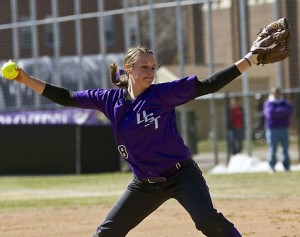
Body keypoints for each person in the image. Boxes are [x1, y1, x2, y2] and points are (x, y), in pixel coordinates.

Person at [3, 45, 260, 237]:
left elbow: (209, 85)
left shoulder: (163, 94)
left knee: (206, 220)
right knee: (106, 233)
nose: (151, 71)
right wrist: (25, 79)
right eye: (144, 67)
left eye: (152, 67)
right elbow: (67, 97)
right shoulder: (109, 100)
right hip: (144, 184)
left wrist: (250, 59)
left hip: (181, 176)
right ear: (129, 69)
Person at [263, 87, 293, 172]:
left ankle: (286, 167)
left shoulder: (285, 102)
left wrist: (277, 112)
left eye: (278, 93)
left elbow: (289, 110)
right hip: (272, 129)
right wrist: (281, 113)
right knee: (272, 149)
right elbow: (270, 113)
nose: (277, 95)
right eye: (275, 93)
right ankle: (271, 167)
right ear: (272, 94)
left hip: (284, 128)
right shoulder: (268, 103)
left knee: (285, 149)